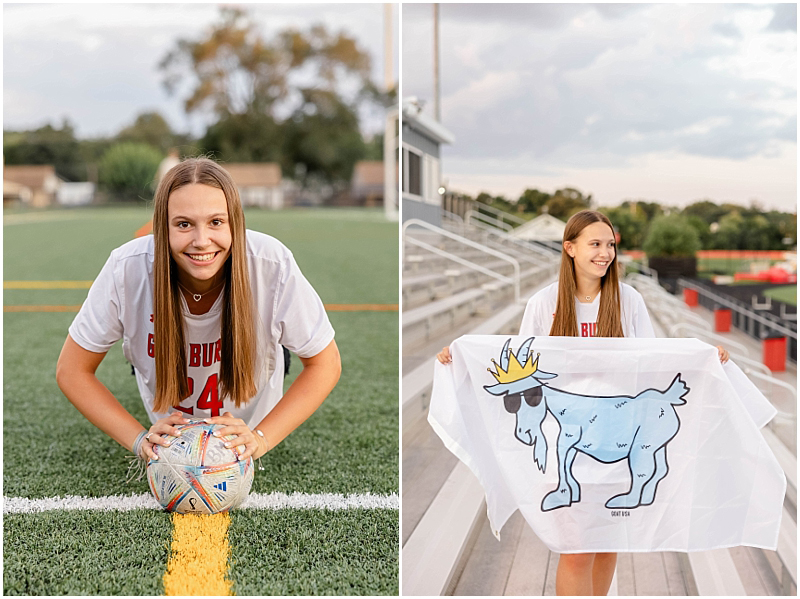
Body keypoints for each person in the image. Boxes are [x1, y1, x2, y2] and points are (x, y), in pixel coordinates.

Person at [437, 209, 728, 596]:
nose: (605, 253)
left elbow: (657, 359)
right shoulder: (544, 304)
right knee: (576, 551)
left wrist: (706, 356)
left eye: (610, 245)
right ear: (569, 248)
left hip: (619, 437)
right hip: (570, 443)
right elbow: (522, 367)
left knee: (608, 547)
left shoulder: (629, 300)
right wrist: (461, 358)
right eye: (595, 244)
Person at [56, 157, 341, 468]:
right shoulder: (127, 267)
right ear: (162, 228)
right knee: (148, 338)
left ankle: (274, 350)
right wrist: (139, 439)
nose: (202, 241)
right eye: (183, 224)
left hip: (254, 383)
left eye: (216, 222)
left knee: (275, 341)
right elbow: (72, 370)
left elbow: (325, 363)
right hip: (172, 401)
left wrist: (260, 438)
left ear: (236, 223)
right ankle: (142, 356)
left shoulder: (271, 262)